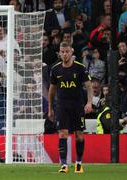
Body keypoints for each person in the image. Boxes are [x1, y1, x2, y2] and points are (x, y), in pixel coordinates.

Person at [48, 42, 93, 173]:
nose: (65, 54)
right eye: (62, 52)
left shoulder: (80, 68)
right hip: (62, 105)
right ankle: (64, 165)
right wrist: (50, 108)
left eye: (67, 51)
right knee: (62, 133)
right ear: (59, 53)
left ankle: (78, 163)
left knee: (79, 135)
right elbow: (52, 90)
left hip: (77, 105)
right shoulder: (55, 69)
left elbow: (89, 86)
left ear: (71, 52)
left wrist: (89, 102)